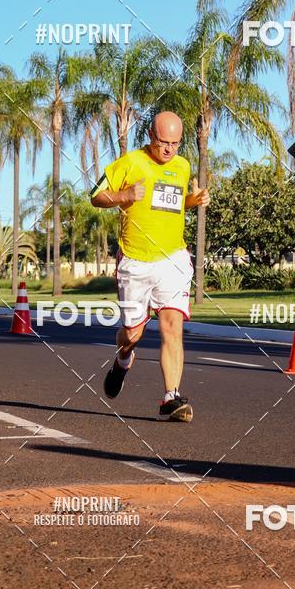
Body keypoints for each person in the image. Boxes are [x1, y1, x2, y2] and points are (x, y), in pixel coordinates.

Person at [91, 111, 210, 422]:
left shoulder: (182, 166)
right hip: (135, 260)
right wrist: (124, 195)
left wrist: (191, 201)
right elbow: (95, 196)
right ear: (150, 137)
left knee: (172, 326)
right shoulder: (130, 163)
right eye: (163, 143)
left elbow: (169, 203)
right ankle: (123, 358)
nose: (169, 150)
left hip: (173, 258)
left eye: (175, 144)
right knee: (133, 333)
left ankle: (171, 397)